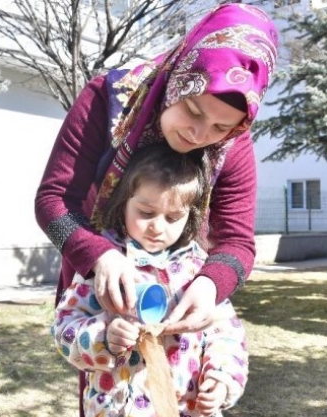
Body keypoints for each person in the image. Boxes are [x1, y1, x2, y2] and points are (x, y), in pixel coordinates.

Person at [35, 2, 277, 333]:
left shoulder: (233, 144)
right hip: (99, 290)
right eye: (193, 110)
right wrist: (100, 255)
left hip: (178, 302)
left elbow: (237, 240)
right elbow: (54, 199)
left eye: (221, 128)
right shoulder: (106, 99)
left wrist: (210, 286)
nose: (199, 135)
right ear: (178, 78)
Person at [52, 144, 248, 417]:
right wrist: (104, 337)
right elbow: (64, 330)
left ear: (190, 215)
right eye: (146, 213)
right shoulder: (105, 265)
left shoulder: (198, 270)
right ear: (124, 203)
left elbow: (226, 333)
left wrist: (221, 380)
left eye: (173, 217)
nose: (158, 227)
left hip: (186, 408)